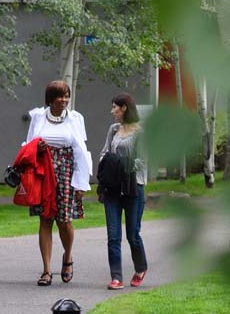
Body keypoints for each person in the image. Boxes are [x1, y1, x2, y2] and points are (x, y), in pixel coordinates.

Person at [23, 80, 91, 286]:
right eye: (60, 96)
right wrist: (39, 149)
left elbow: (81, 151)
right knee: (45, 219)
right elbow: (28, 146)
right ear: (50, 99)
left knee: (64, 220)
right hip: (43, 171)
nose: (64, 100)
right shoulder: (37, 117)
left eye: (66, 95)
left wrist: (81, 183)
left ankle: (67, 257)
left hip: (66, 172)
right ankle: (46, 270)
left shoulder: (76, 118)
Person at [97, 92, 148, 290]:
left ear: (124, 108)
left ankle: (141, 267)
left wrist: (118, 166)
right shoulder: (113, 130)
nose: (112, 111)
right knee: (113, 235)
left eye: (114, 108)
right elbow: (104, 152)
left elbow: (141, 162)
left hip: (133, 187)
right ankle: (116, 277)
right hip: (112, 188)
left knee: (133, 234)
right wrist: (106, 165)